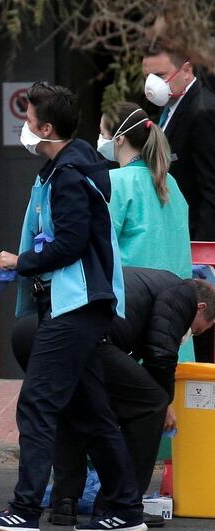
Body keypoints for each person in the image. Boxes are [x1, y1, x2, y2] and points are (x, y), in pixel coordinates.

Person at [0, 82, 146, 531]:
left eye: (28, 121)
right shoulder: (70, 166)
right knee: (91, 411)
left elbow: (69, 244)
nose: (25, 128)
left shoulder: (69, 174)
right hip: (80, 305)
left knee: (37, 402)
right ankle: (127, 509)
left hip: (75, 305)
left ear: (47, 128)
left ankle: (23, 509)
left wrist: (18, 262)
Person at [9, 268, 215, 528]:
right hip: (84, 338)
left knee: (75, 409)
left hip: (34, 331)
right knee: (150, 405)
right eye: (196, 331)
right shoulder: (182, 293)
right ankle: (120, 505)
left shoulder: (145, 284)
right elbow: (160, 354)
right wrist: (164, 401)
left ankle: (65, 502)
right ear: (200, 307)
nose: (190, 335)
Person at [98, 100, 193, 363]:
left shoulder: (115, 184)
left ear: (119, 139)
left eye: (103, 133)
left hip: (134, 320)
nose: (100, 140)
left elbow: (100, 252)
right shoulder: (170, 183)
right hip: (176, 321)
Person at [142, 41, 215, 363]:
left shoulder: (202, 111)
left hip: (194, 245)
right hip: (176, 238)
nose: (153, 84)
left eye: (160, 74)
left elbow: (210, 188)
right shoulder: (171, 107)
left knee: (198, 331)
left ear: (186, 69)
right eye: (148, 76)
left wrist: (202, 253)